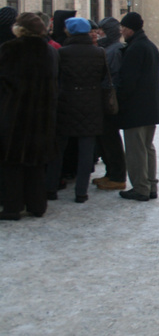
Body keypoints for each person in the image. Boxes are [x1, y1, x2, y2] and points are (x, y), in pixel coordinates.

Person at [0, 13, 58, 220]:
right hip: (42, 114)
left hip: (14, 115)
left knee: (11, 163)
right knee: (36, 163)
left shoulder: (10, 49)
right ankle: (37, 205)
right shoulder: (49, 51)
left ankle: (12, 207)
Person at [47, 17, 108, 204]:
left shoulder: (62, 53)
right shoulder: (99, 52)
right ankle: (81, 192)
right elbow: (104, 80)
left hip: (66, 103)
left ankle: (51, 188)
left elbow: (55, 79)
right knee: (86, 151)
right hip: (91, 104)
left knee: (59, 149)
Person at [117, 12, 159, 202]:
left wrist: (119, 101)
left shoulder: (136, 48)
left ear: (130, 29)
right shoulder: (149, 46)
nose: (121, 32)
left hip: (136, 107)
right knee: (147, 147)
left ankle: (141, 188)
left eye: (123, 29)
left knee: (136, 150)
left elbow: (128, 81)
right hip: (150, 106)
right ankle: (151, 185)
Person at [92, 17, 127, 191]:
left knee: (110, 138)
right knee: (105, 139)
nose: (99, 33)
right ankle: (111, 173)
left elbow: (111, 77)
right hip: (104, 100)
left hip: (108, 101)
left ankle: (117, 175)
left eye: (102, 30)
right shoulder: (108, 48)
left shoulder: (113, 50)